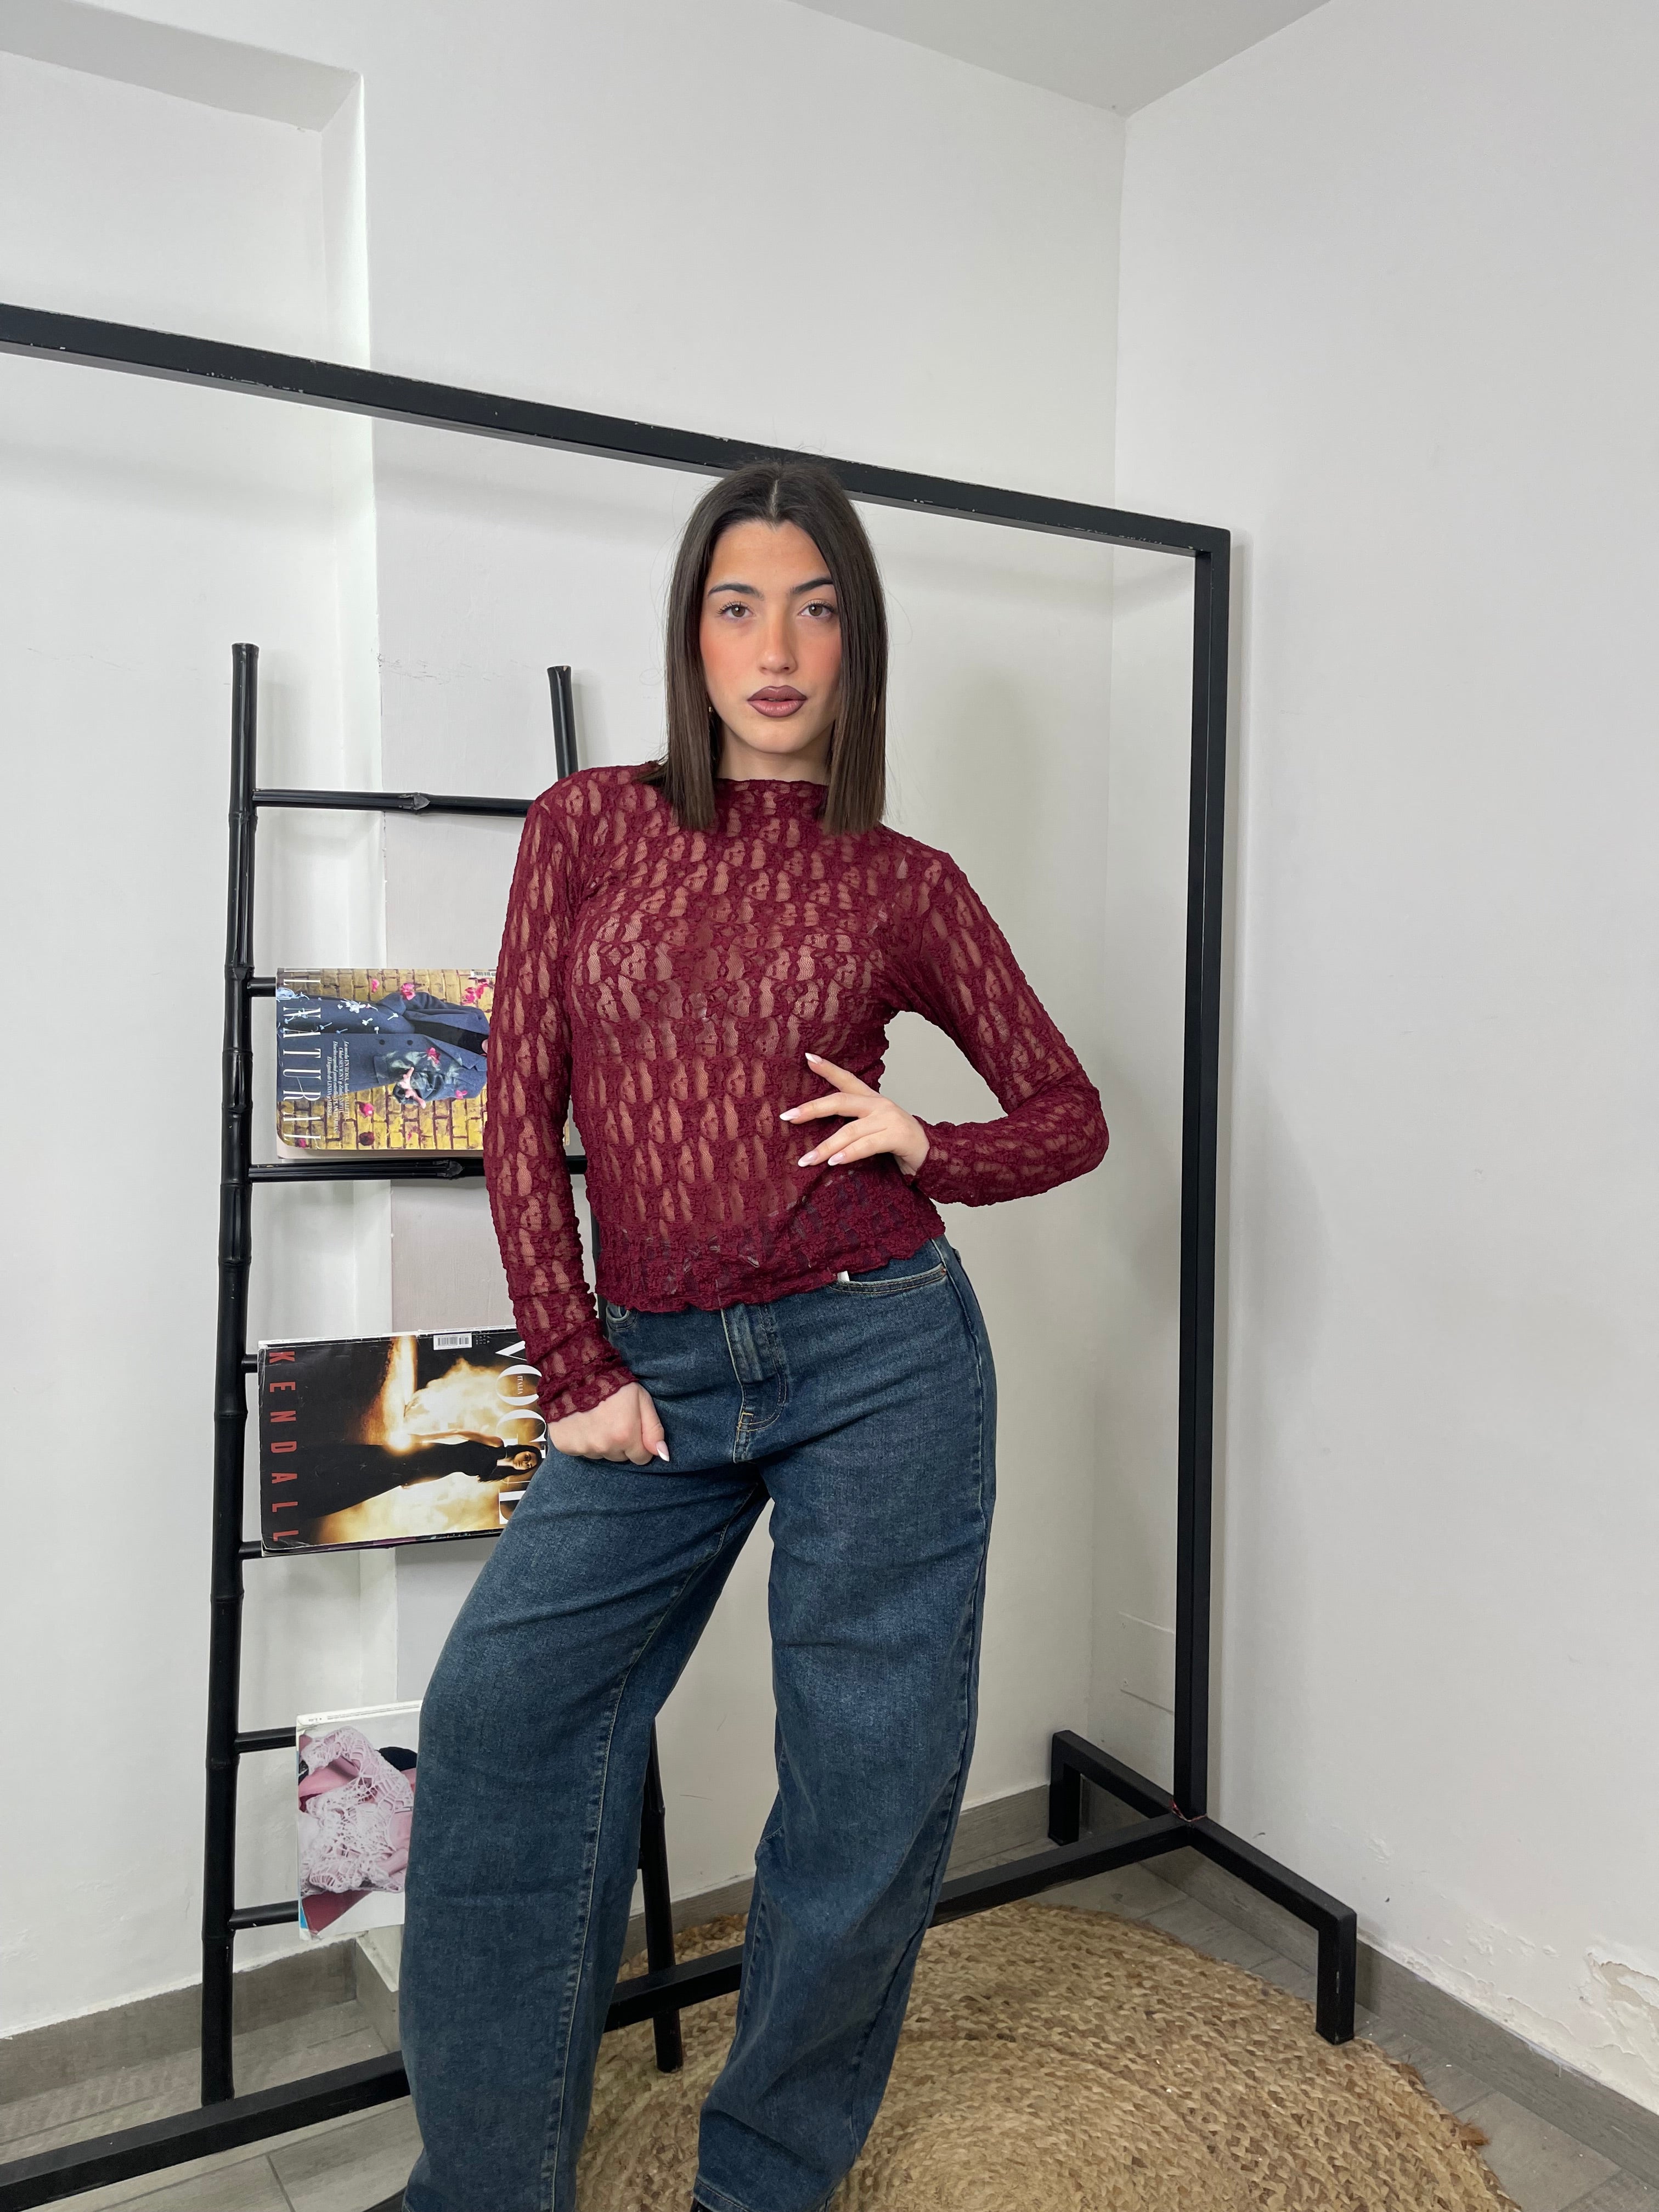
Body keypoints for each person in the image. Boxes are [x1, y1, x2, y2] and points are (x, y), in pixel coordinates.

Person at [397, 460, 1109, 2212]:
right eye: (738, 607)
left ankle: (764, 2183)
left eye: (815, 609)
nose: (776, 649)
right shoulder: (590, 825)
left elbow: (1070, 1113)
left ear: (859, 643)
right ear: (692, 635)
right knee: (500, 1722)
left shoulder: (903, 881)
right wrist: (575, 1367)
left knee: (865, 1789)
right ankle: (483, 2189)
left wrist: (927, 1146)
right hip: (648, 1372)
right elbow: (517, 1110)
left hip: (881, 1358)